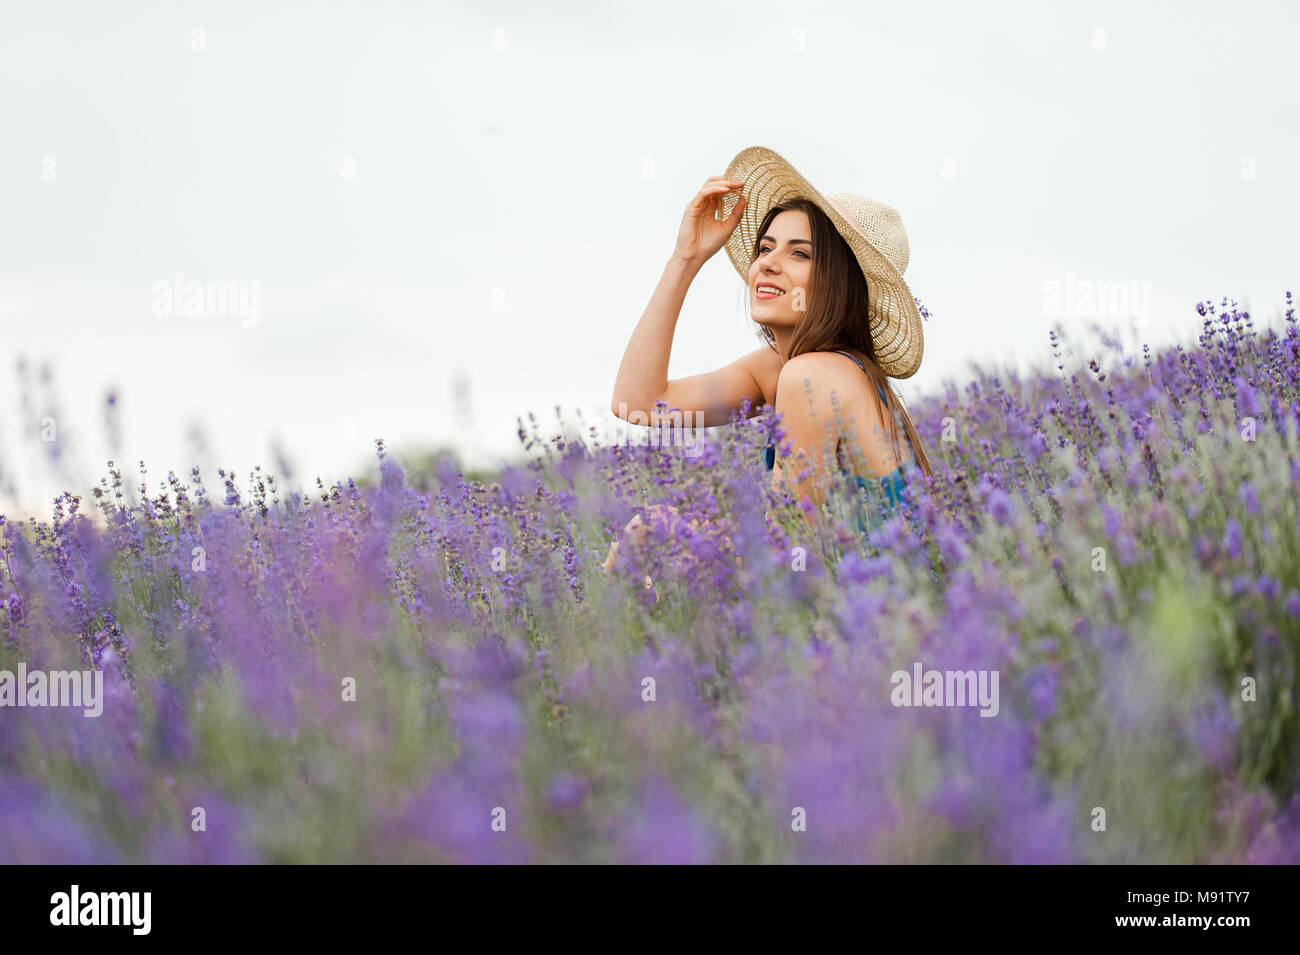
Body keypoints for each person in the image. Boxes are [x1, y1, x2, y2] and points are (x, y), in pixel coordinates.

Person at [602, 145, 932, 576]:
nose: (767, 264)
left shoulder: (812, 375)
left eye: (799, 253)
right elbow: (639, 402)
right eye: (765, 247)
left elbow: (779, 562)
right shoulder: (790, 367)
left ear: (840, 283)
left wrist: (678, 536)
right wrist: (685, 258)